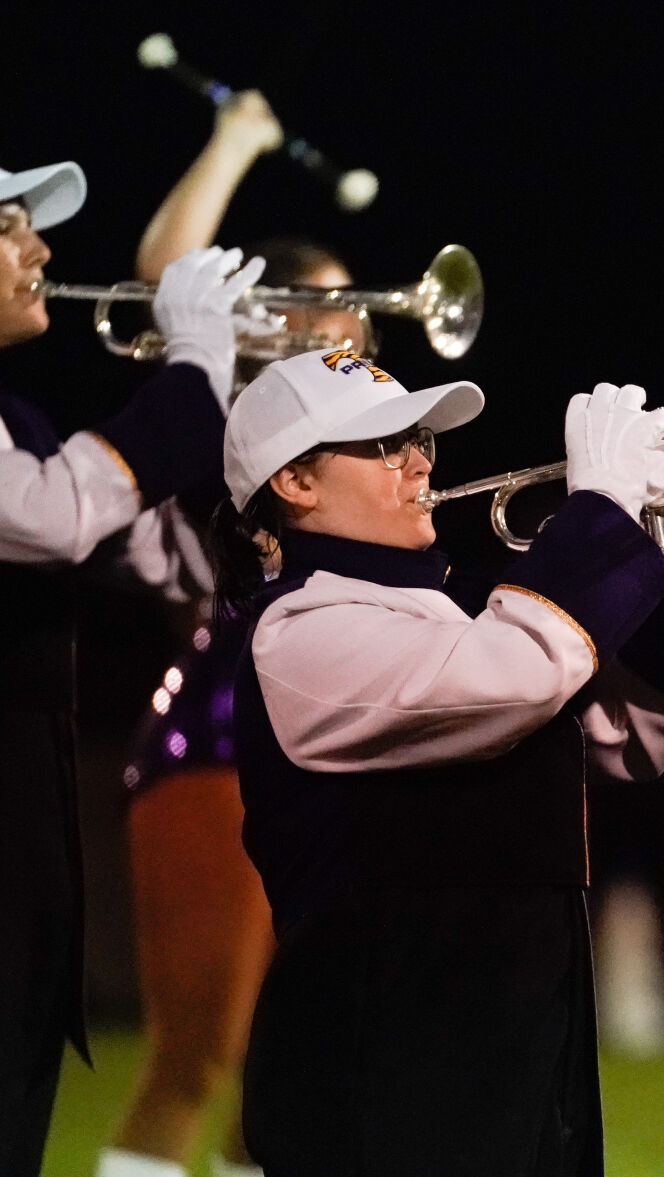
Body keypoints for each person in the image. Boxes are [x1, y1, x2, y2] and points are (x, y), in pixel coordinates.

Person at [210, 349, 664, 1173]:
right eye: (384, 445)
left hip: (521, 1056)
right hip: (382, 1082)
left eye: (419, 438)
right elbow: (519, 670)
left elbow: (657, 727)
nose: (419, 460)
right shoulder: (297, 630)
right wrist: (597, 512)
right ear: (295, 484)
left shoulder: (466, 609)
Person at [100, 92, 356, 1177]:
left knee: (295, 1079)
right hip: (212, 735)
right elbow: (171, 272)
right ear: (263, 319)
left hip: (327, 737)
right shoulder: (225, 403)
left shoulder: (359, 432)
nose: (354, 331)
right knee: (198, 1054)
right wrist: (237, 141)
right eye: (328, 309)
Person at [0, 158, 259, 1177]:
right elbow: (59, 513)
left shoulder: (18, 422)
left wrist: (262, 417)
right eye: (11, 228)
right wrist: (191, 367)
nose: (42, 253)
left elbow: (165, 559)